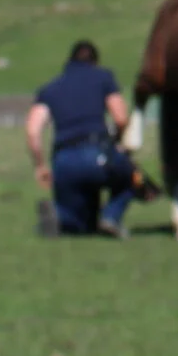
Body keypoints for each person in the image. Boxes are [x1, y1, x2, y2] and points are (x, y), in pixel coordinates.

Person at [25, 40, 137, 238]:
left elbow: (33, 131)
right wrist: (116, 143)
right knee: (132, 176)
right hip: (97, 155)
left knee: (80, 222)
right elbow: (120, 118)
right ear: (95, 61)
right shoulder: (103, 77)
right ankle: (111, 217)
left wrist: (40, 166)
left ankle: (59, 215)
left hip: (63, 162)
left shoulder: (50, 89)